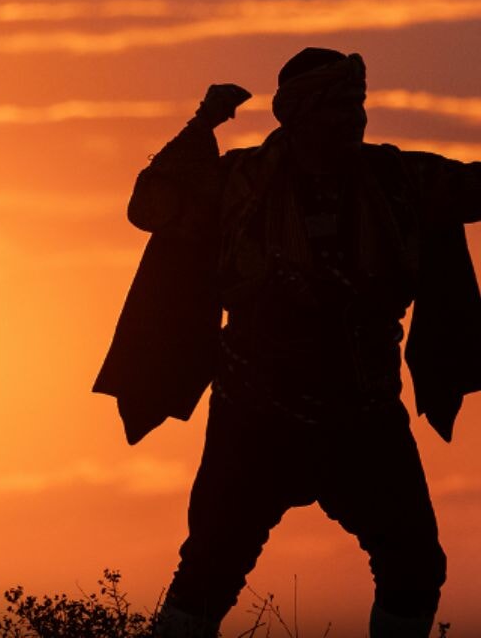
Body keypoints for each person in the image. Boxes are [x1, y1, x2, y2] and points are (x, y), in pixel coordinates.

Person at [94, 48, 481, 638]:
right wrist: (202, 126)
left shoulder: (401, 179)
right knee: (207, 575)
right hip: (255, 418)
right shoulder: (237, 186)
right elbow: (151, 207)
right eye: (337, 107)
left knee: (415, 569)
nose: (353, 119)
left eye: (358, 105)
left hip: (365, 417)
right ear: (298, 116)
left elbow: (476, 191)